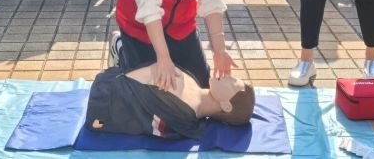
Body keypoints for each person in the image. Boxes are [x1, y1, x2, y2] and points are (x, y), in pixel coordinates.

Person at [86, 64, 255, 139]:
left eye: (232, 83)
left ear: (226, 106)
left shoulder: (183, 108)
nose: (227, 76)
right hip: (111, 84)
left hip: (103, 97)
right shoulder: (193, 85)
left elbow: (132, 84)